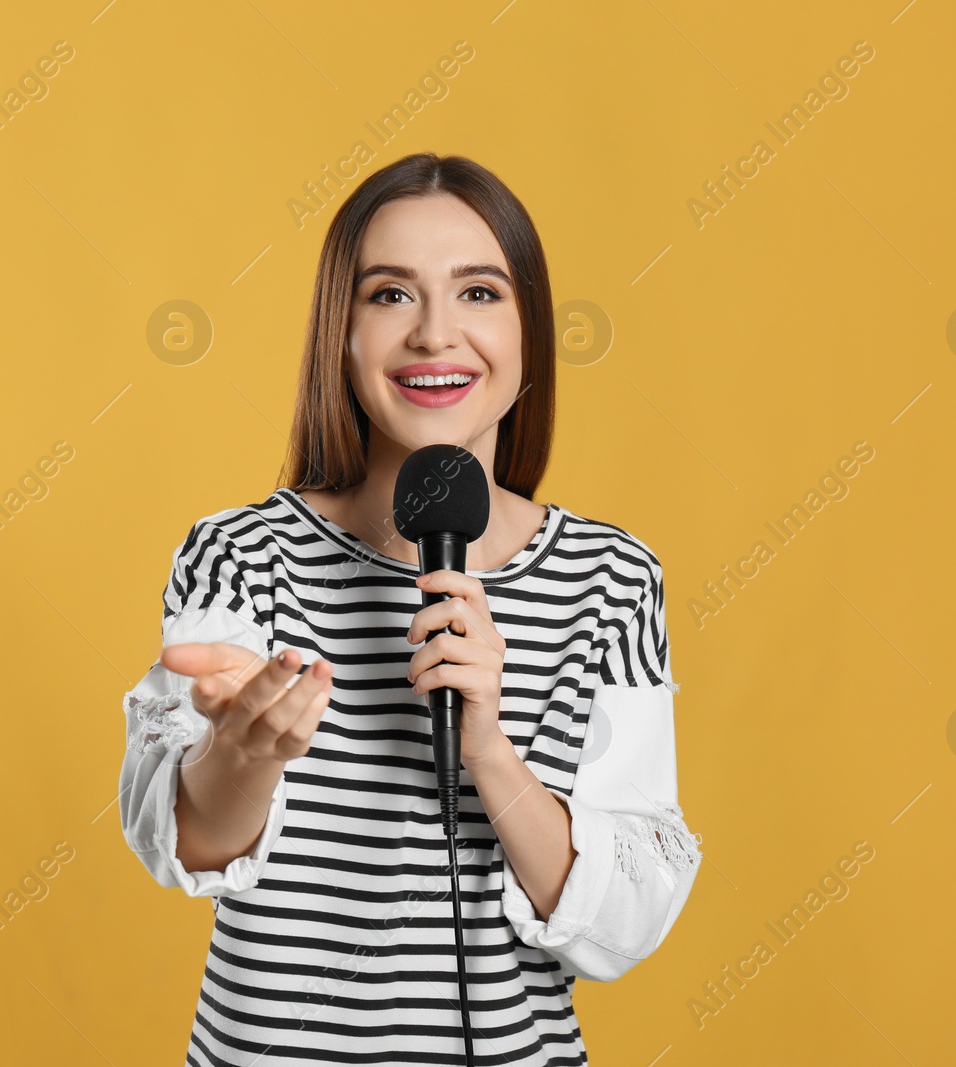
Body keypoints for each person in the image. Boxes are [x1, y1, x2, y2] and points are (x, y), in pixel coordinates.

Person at [119, 152, 701, 1065]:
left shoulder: (611, 578)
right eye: (390, 295)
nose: (436, 334)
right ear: (337, 335)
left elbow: (627, 919)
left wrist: (489, 751)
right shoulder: (240, 555)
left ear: (529, 331)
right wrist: (239, 754)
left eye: (479, 293)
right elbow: (180, 841)